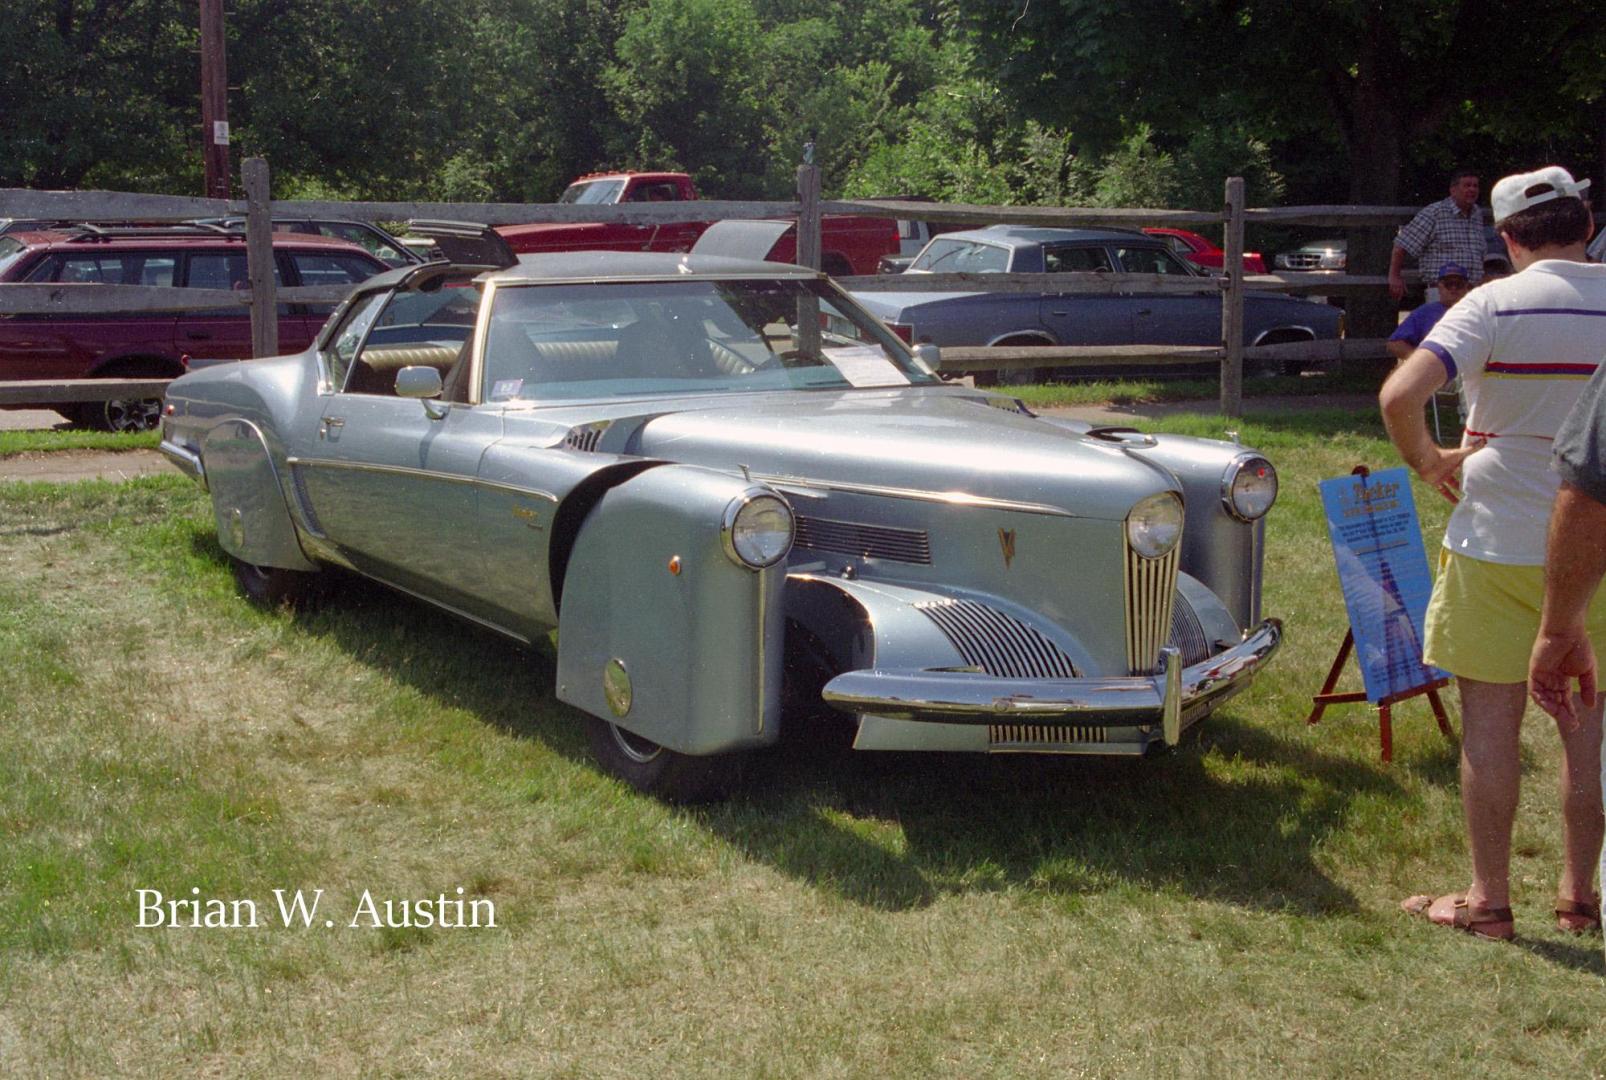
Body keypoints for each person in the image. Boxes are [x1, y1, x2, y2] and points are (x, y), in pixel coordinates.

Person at [1380, 165, 1606, 940]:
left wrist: (1429, 462)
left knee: (1490, 724)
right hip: (1600, 549)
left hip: (1497, 542)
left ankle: (1489, 903)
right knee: (1589, 731)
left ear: (1507, 238)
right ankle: (1580, 899)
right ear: (1586, 224)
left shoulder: (1491, 303)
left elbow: (1398, 397)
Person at [1389, 170, 1486, 302]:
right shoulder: (1434, 212)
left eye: (1475, 186)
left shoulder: (1477, 215)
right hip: (1443, 291)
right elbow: (1402, 244)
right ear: (1453, 190)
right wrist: (1394, 276)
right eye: (1467, 185)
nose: (1472, 189)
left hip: (1472, 292)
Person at [1386, 262, 1472, 362]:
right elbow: (1394, 344)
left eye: (1459, 284)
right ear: (1439, 287)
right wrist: (1423, 361)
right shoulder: (1424, 313)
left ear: (1467, 288)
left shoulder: (1477, 313)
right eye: (1448, 284)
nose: (1453, 288)